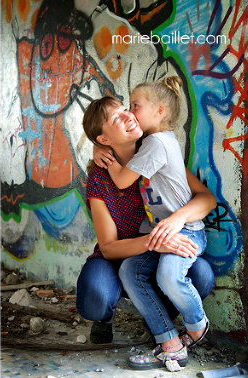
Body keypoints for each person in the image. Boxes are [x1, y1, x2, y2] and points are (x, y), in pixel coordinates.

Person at [81, 94, 215, 370]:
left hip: (160, 245)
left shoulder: (155, 151)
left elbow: (206, 199)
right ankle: (106, 319)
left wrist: (177, 220)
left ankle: (162, 323)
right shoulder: (100, 178)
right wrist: (155, 242)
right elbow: (108, 247)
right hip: (119, 255)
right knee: (97, 295)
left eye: (127, 109)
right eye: (117, 117)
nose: (129, 115)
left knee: (200, 273)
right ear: (103, 140)